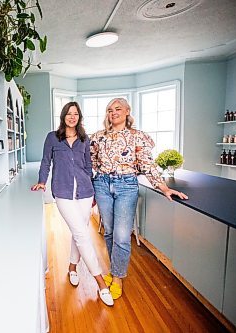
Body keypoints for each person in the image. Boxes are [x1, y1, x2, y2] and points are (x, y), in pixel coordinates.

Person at [90, 97, 188, 300]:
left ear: (127, 111)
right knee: (109, 232)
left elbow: (148, 165)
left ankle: (117, 278)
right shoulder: (98, 137)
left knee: (122, 235)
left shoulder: (137, 137)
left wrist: (164, 188)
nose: (113, 112)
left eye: (118, 108)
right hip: (101, 184)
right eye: (109, 109)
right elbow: (89, 164)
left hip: (126, 186)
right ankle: (114, 269)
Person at [31, 101, 114, 307]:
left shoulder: (84, 139)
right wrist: (42, 181)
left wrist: (92, 189)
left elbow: (88, 166)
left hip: (85, 193)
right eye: (69, 113)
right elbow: (45, 162)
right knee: (81, 234)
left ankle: (72, 268)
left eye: (75, 114)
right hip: (63, 192)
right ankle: (101, 283)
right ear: (63, 116)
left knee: (80, 233)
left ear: (79, 117)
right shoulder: (52, 137)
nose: (72, 117)